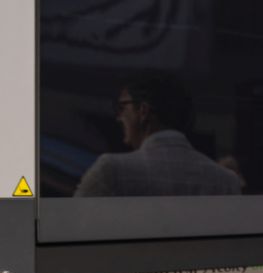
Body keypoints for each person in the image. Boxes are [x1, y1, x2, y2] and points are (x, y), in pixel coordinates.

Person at [75, 71, 242, 196]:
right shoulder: (227, 181)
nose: (118, 117)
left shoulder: (111, 170)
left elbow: (76, 225)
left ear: (143, 111)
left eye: (121, 107)